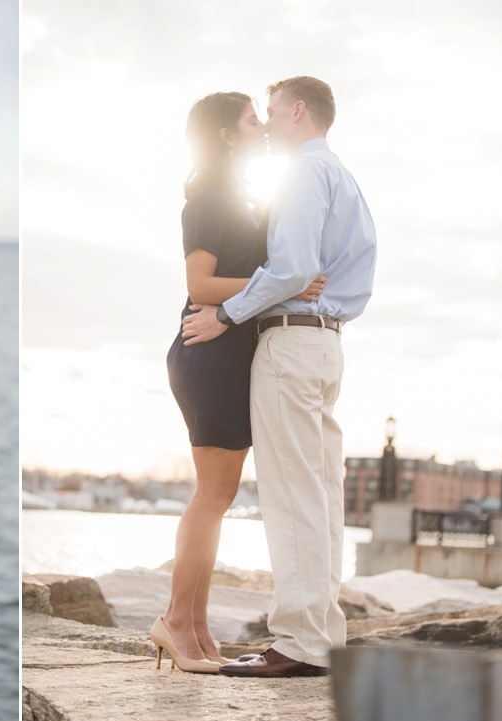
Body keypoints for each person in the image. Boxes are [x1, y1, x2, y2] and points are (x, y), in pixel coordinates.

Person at [183, 76, 377, 678]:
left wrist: (227, 314)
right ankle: (322, 638)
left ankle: (295, 643)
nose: (267, 122)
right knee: (320, 497)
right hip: (326, 345)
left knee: (294, 496)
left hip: (290, 342)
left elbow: (292, 267)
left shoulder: (301, 172)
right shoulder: (343, 177)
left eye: (270, 110)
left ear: (298, 109)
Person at [155, 92, 325, 674]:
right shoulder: (206, 199)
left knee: (220, 497)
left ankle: (198, 628)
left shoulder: (241, 198)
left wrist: (278, 283)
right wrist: (283, 284)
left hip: (232, 353)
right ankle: (175, 622)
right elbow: (200, 285)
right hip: (208, 350)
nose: (261, 127)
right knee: (211, 495)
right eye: (253, 120)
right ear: (227, 135)